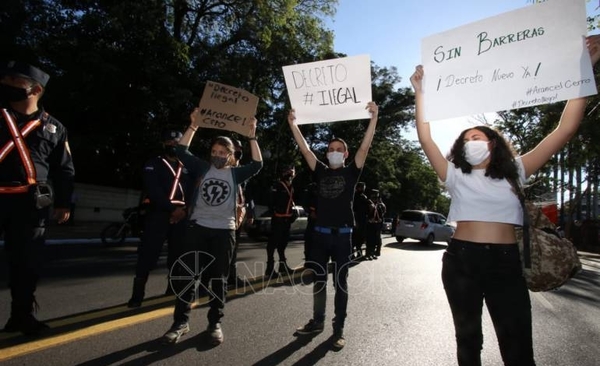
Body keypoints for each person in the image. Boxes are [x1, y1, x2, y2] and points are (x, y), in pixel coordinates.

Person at [409, 35, 600, 366]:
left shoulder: (518, 170)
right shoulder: (453, 174)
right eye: (466, 139)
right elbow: (425, 136)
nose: (472, 142)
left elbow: (564, 130)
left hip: (506, 263)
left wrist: (586, 68)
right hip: (460, 263)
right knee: (467, 343)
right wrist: (420, 93)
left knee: (518, 348)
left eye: (478, 137)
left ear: (494, 144)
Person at [162, 108, 262, 345]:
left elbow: (258, 163)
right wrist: (194, 125)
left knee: (219, 279)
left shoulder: (236, 174)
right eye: (214, 151)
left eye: (222, 152)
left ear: (230, 154)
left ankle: (215, 322)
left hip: (224, 231)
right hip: (197, 228)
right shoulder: (201, 167)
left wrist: (252, 136)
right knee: (188, 276)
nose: (217, 155)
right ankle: (180, 323)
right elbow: (181, 150)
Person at [288, 101, 379, 350]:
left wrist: (373, 119)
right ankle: (317, 322)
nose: (335, 151)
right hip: (319, 237)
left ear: (346, 154)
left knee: (341, 284)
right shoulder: (320, 171)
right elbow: (305, 150)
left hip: (342, 238)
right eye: (331, 148)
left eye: (340, 149)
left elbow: (365, 146)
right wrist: (293, 124)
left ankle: (338, 330)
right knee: (319, 282)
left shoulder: (351, 173)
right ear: (327, 153)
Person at [0, 61, 75, 335]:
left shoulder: (54, 128)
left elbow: (64, 168)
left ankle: (21, 317)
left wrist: (65, 203)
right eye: (6, 79)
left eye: (14, 81)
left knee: (26, 264)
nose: (7, 84)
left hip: (30, 205)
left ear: (35, 89)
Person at [126, 130, 192, 308]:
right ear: (164, 144)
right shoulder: (154, 164)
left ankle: (172, 288)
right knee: (148, 253)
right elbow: (154, 190)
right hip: (158, 214)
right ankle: (137, 295)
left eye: (176, 143)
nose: (173, 145)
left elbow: (193, 192)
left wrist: (184, 210)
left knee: (178, 255)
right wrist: (172, 209)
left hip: (182, 216)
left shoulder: (187, 167)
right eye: (169, 142)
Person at [227, 138, 253, 289]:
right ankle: (211, 280)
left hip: (239, 216)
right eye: (235, 148)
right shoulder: (222, 169)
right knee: (221, 250)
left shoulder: (242, 171)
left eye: (240, 149)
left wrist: (250, 213)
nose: (238, 151)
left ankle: (232, 277)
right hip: (224, 215)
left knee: (234, 248)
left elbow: (248, 195)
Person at [265, 164, 296, 277]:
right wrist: (274, 212)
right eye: (287, 171)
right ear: (282, 173)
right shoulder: (277, 185)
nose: (290, 174)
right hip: (278, 219)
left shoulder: (291, 187)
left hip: (287, 220)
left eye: (292, 172)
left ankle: (283, 266)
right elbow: (270, 201)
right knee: (273, 243)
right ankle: (270, 268)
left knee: (283, 244)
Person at [351, 182, 369, 260]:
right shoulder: (353, 196)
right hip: (355, 220)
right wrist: (354, 221)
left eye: (363, 188)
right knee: (353, 239)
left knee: (360, 239)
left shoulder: (364, 197)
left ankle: (359, 254)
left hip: (362, 220)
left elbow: (367, 209)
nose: (363, 189)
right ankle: (351, 255)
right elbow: (352, 209)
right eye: (361, 187)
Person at [365, 189, 385, 259]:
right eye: (374, 196)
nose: (376, 198)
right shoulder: (368, 202)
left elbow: (382, 212)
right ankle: (368, 254)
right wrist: (368, 220)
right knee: (369, 239)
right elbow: (364, 213)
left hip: (377, 224)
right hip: (370, 224)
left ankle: (373, 253)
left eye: (377, 196)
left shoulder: (379, 204)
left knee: (375, 240)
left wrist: (380, 219)